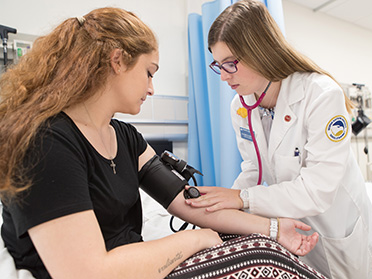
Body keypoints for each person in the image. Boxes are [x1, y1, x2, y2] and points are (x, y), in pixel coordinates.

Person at [0, 7, 324, 279]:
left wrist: (272, 230)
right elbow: (87, 272)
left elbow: (189, 202)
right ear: (117, 61)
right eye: (149, 72)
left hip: (141, 263)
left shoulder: (125, 137)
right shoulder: (45, 142)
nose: (152, 88)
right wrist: (194, 241)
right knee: (265, 266)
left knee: (265, 249)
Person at [184, 1, 372, 278]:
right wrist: (220, 210)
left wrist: (241, 199)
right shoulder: (240, 106)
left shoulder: (320, 94)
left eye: (230, 64)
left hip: (336, 227)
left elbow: (317, 189)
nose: (223, 76)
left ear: (259, 52)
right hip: (293, 226)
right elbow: (252, 167)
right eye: (218, 65)